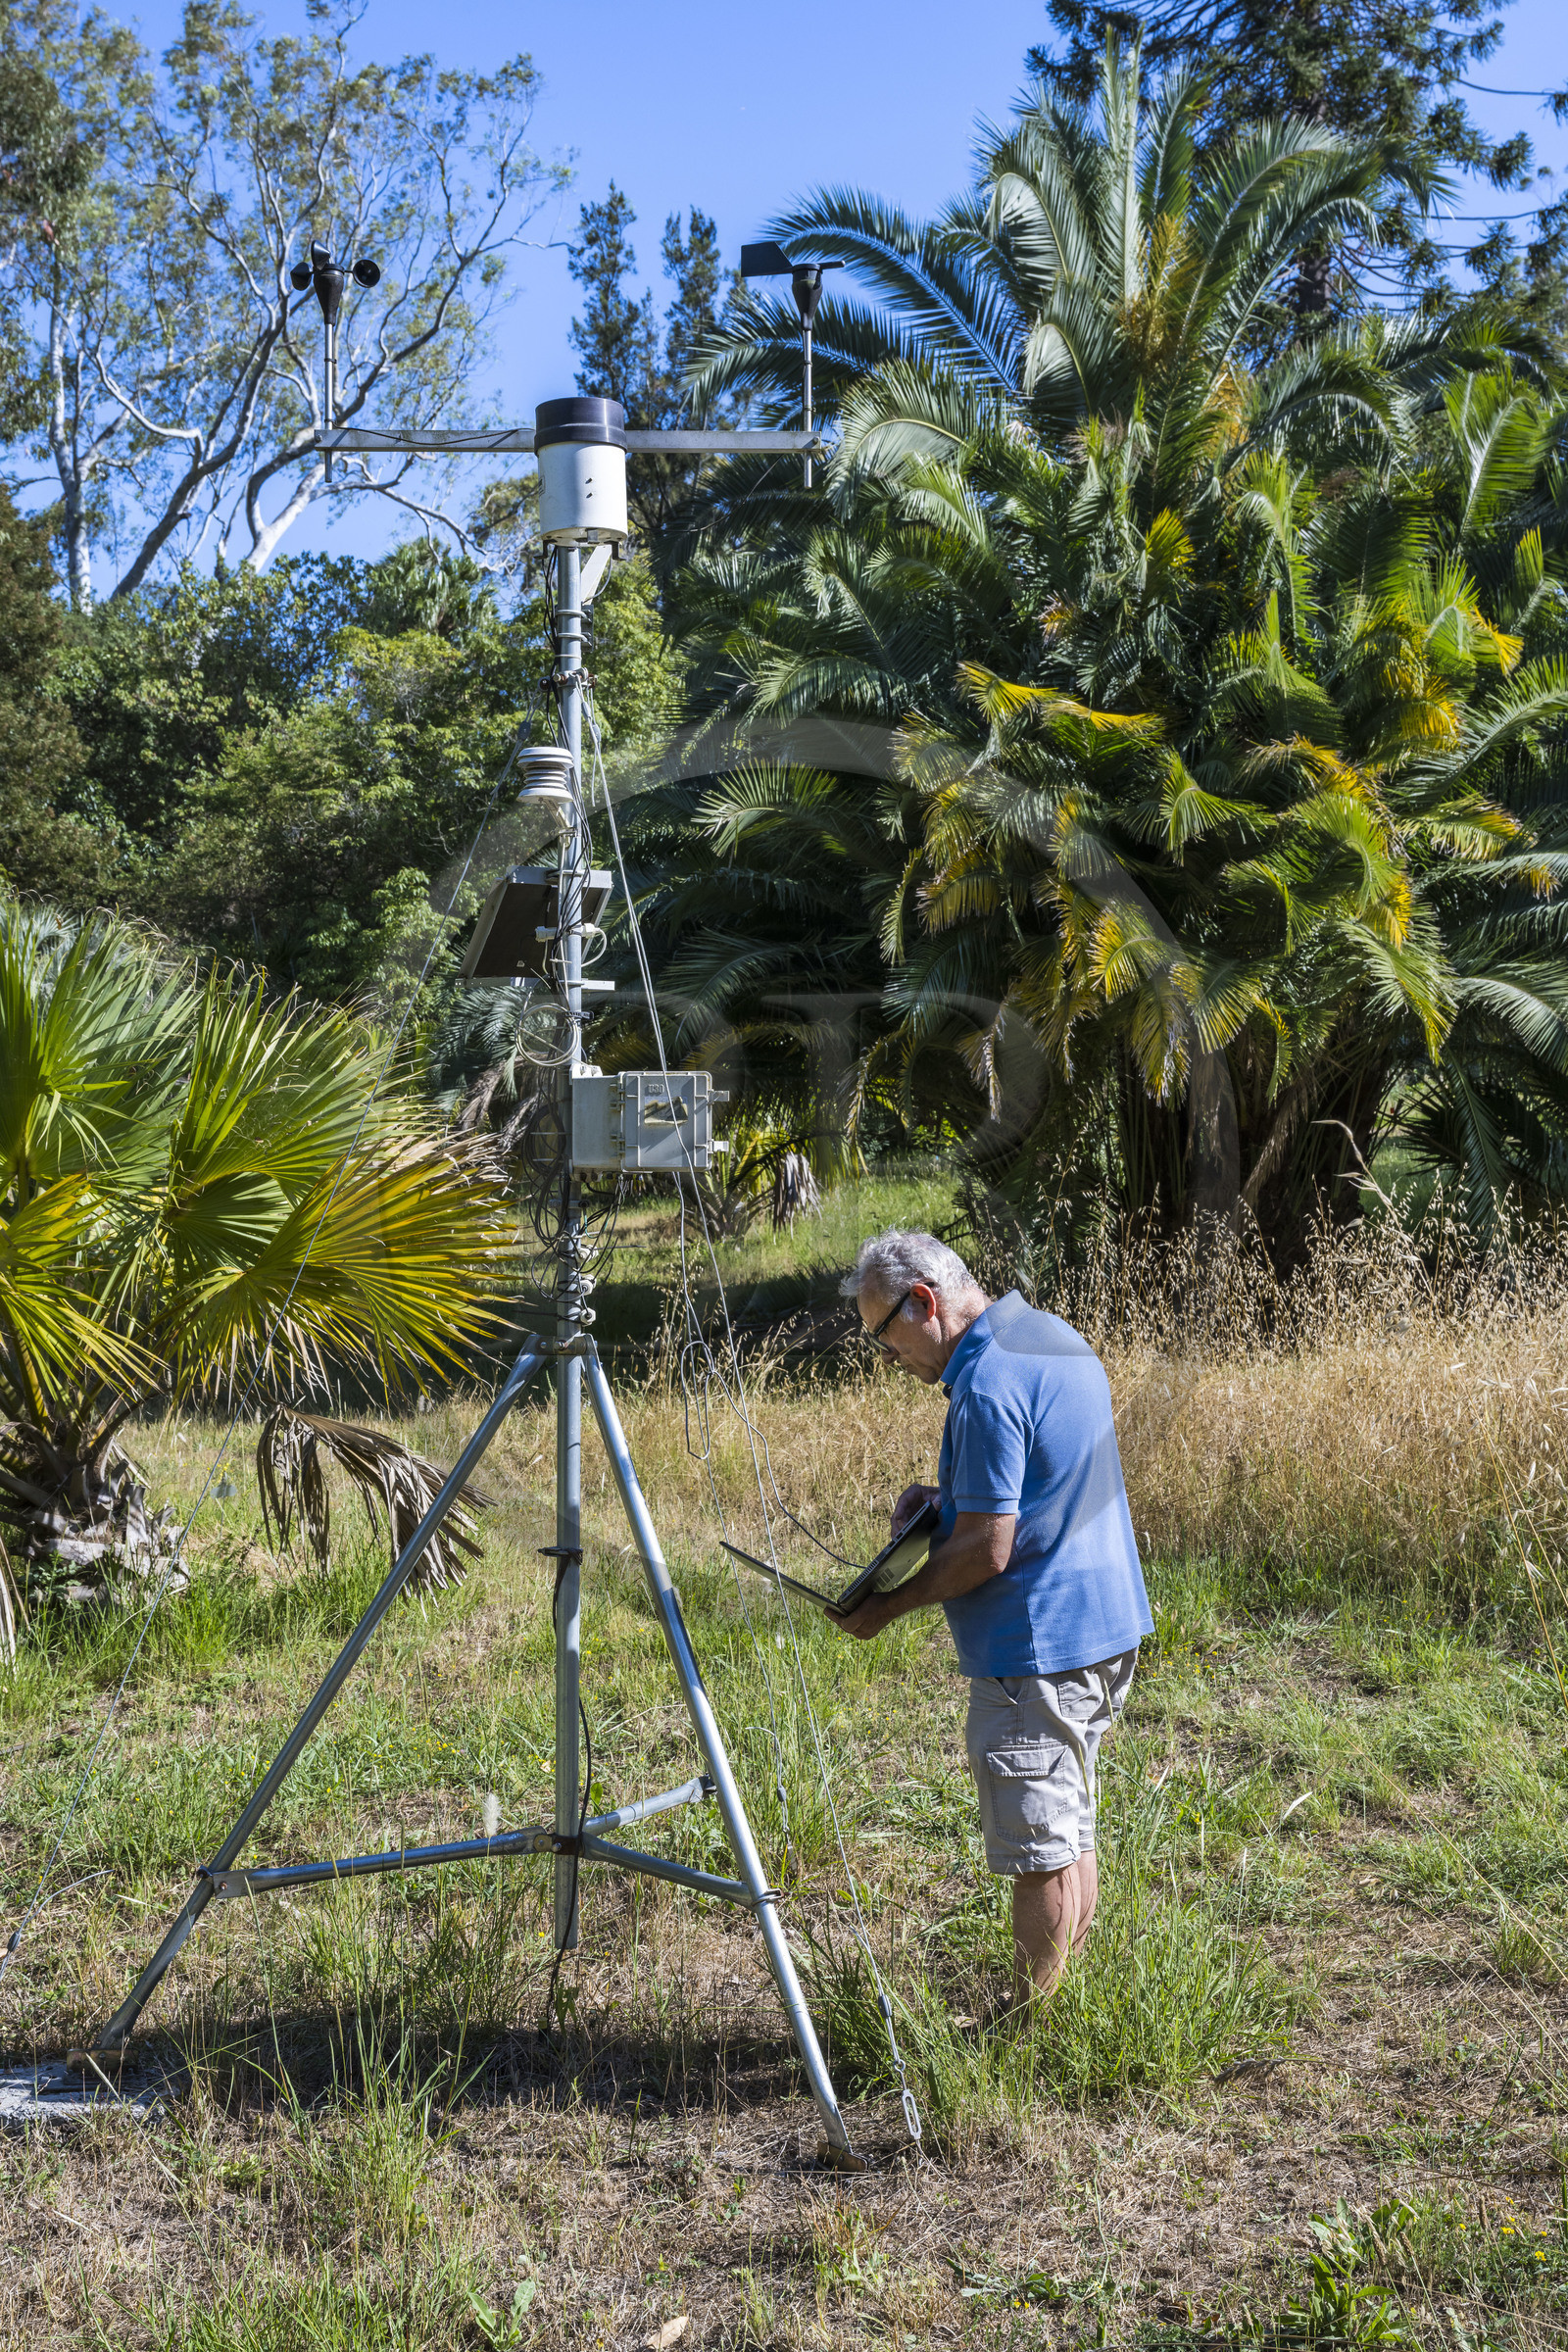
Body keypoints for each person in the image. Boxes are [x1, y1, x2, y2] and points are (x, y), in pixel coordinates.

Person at [837, 1229, 1152, 2004]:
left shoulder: (984, 1387)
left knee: (1038, 1846)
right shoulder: (1049, 1336)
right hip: (1103, 1628)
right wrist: (942, 1503)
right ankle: (1061, 2004)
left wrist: (889, 1603)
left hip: (1034, 1651)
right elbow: (1041, 1483)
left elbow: (988, 1549)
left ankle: (1028, 2030)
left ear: (923, 1302)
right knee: (1068, 1825)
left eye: (885, 1339)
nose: (891, 1361)